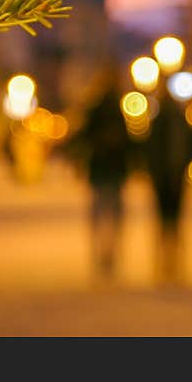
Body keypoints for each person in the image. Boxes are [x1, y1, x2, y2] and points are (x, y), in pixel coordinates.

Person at [76, 72, 133, 280]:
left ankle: (103, 252)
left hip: (103, 170)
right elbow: (127, 142)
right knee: (111, 214)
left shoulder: (97, 108)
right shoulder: (115, 110)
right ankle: (108, 252)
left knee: (101, 213)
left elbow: (84, 137)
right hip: (110, 170)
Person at [143, 87, 192, 283]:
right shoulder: (176, 121)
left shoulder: (162, 122)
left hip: (167, 176)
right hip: (171, 176)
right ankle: (170, 262)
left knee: (166, 221)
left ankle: (168, 261)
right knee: (172, 221)